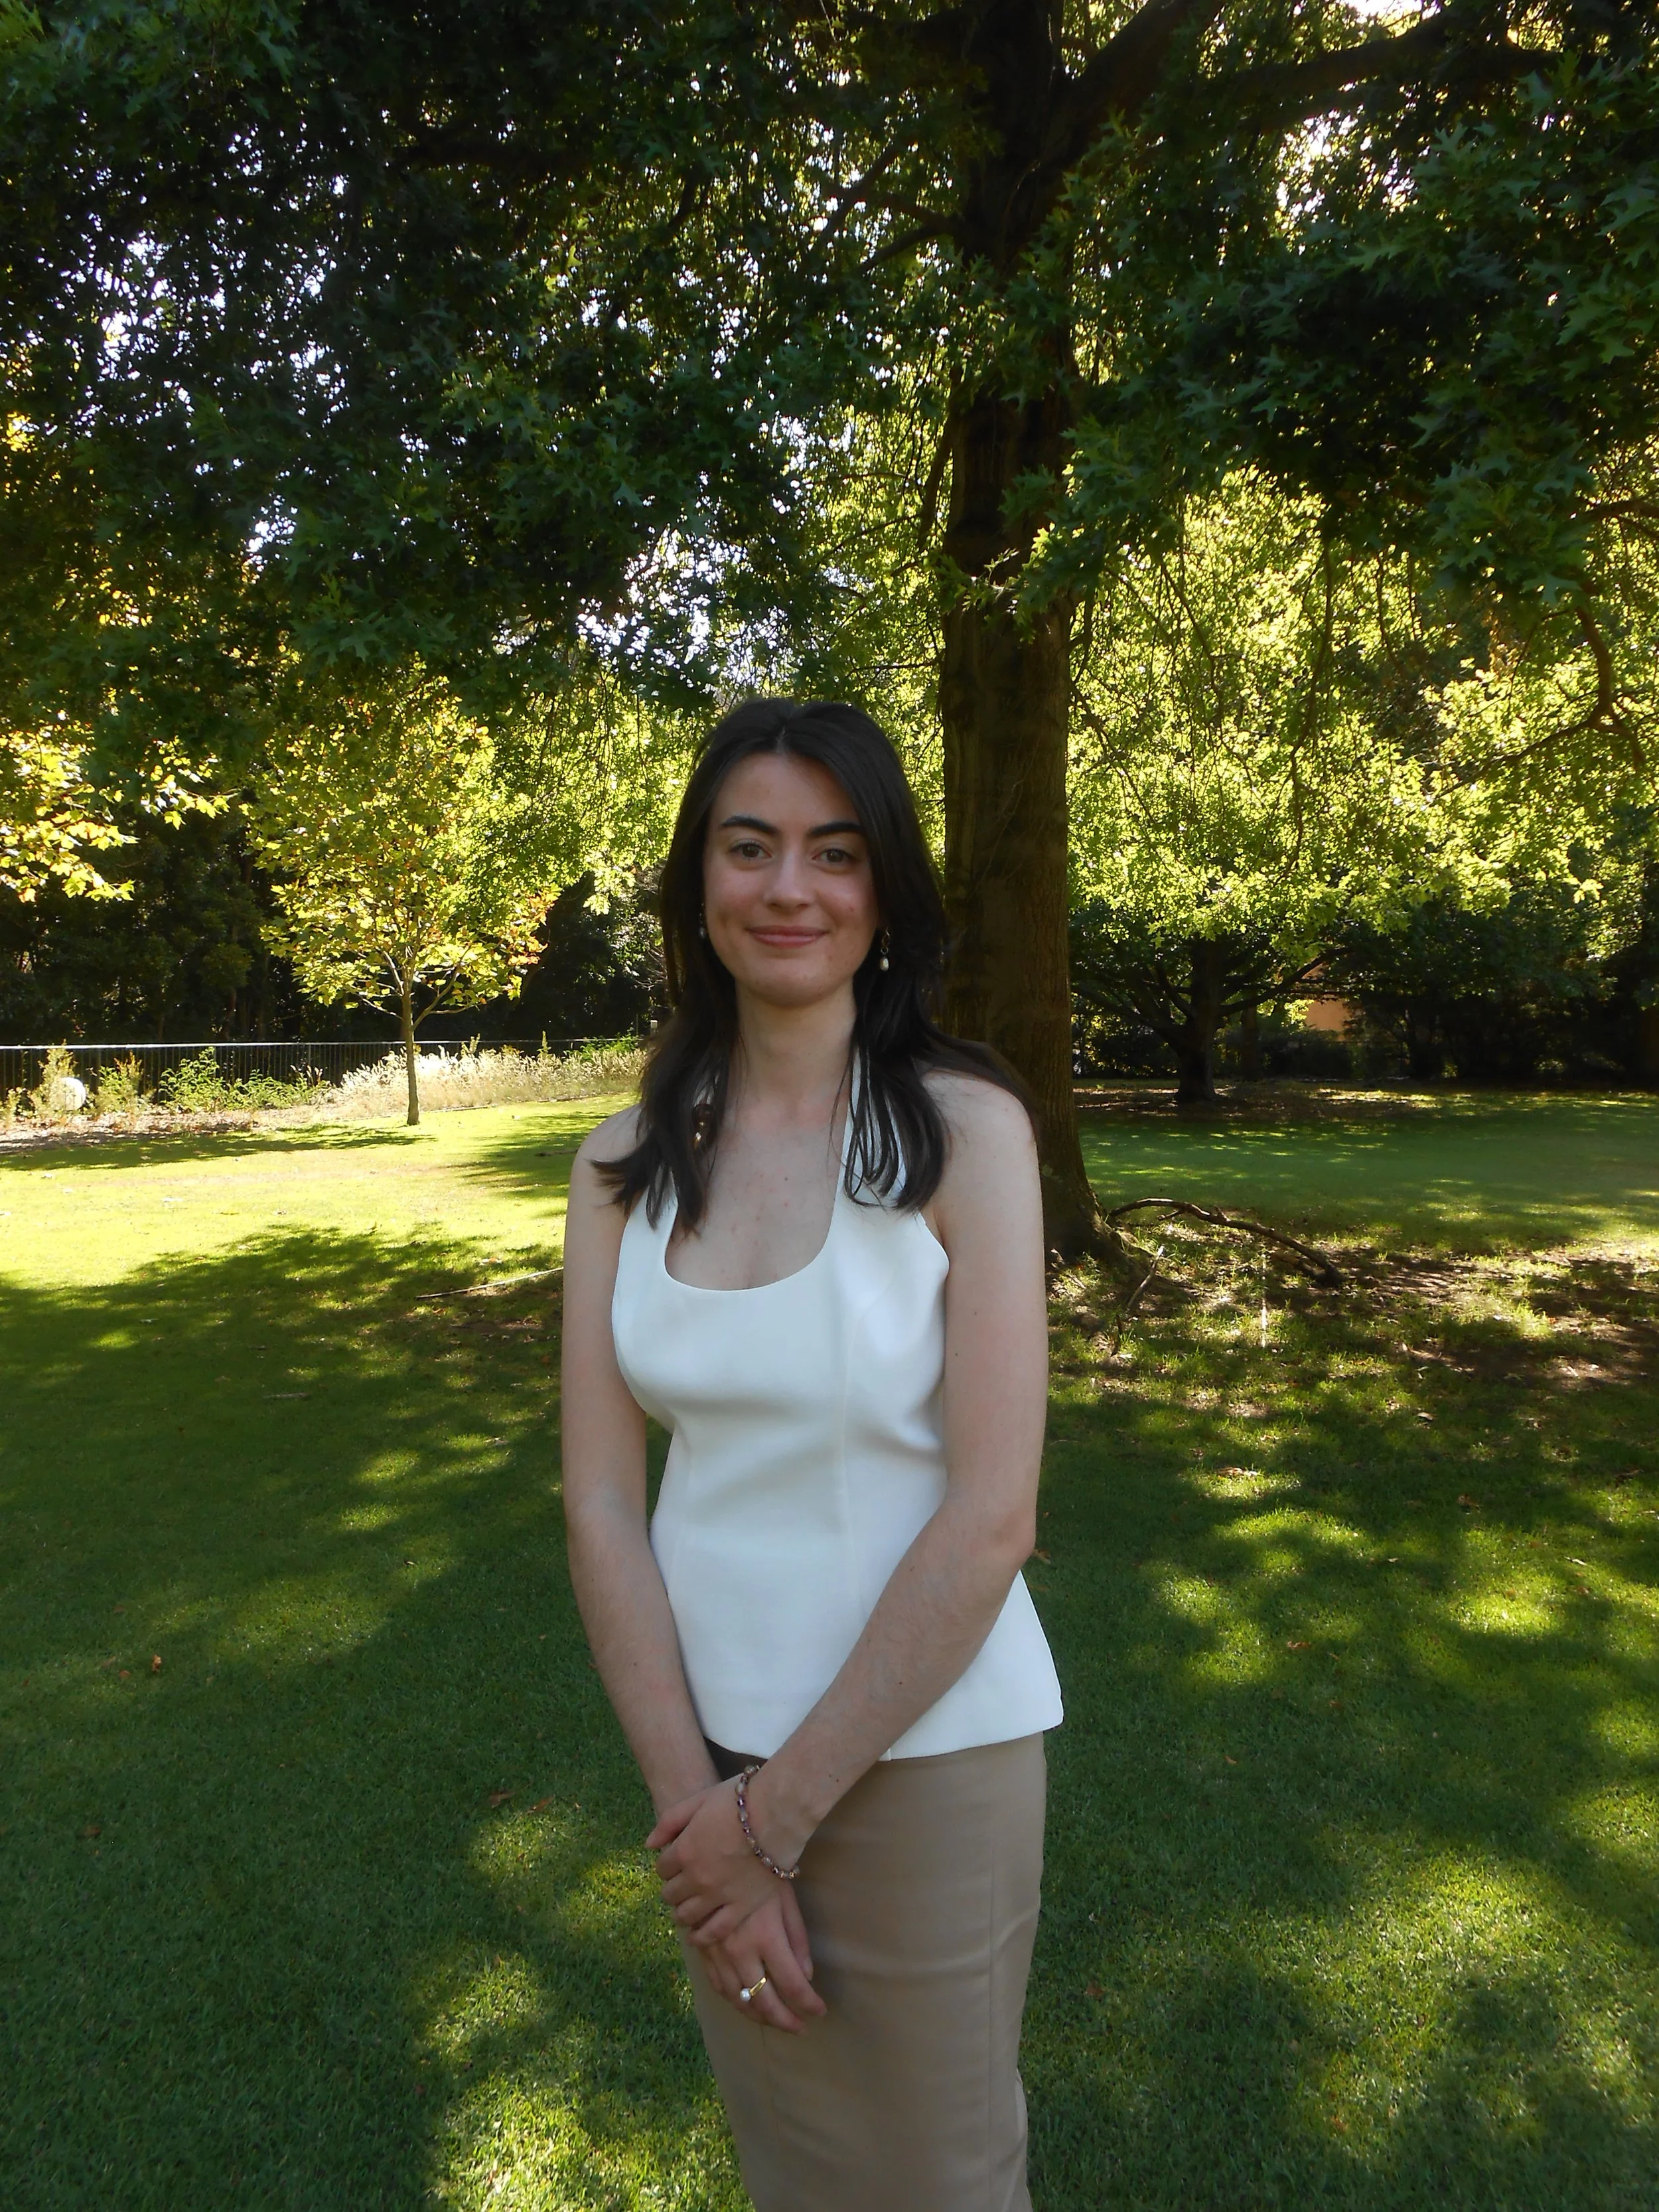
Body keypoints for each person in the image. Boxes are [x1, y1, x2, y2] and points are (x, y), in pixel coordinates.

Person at [560, 698, 1064, 2211]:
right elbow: (598, 1501)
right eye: (749, 846)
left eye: (833, 853)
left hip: (922, 1765)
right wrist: (699, 1822)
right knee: (794, 2169)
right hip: (703, 1768)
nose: (789, 888)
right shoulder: (615, 1166)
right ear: (695, 888)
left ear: (883, 893)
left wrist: (766, 1828)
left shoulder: (966, 1132)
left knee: (937, 2176)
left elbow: (992, 1517)